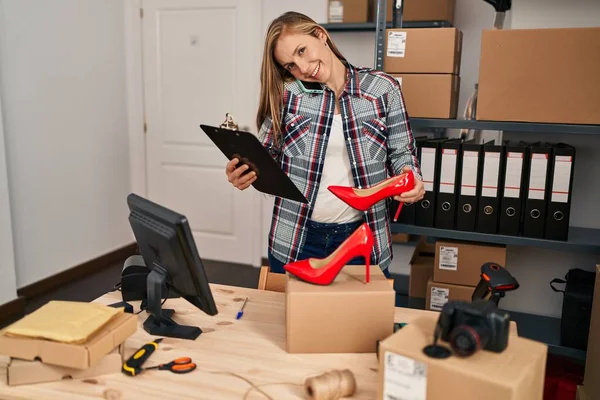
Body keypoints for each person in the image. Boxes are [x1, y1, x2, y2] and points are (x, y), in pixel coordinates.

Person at [225, 11, 425, 278]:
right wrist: (244, 171)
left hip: (361, 238)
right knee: (293, 320)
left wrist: (411, 177)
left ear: (320, 35)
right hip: (296, 238)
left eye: (302, 50)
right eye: (290, 65)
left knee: (360, 320)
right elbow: (266, 155)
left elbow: (402, 152)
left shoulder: (382, 89)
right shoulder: (289, 95)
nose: (303, 68)